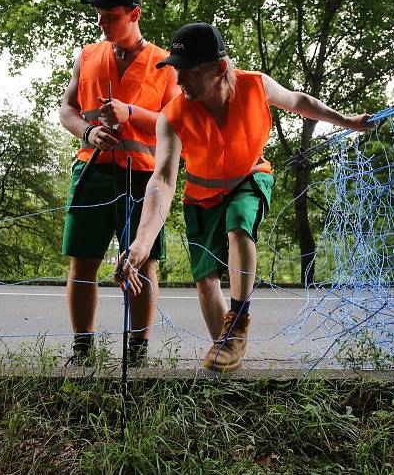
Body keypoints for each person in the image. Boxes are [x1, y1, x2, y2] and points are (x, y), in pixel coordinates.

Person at [117, 22, 373, 372]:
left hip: (249, 177)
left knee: (238, 226)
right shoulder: (172, 116)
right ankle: (225, 353)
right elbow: (161, 179)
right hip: (201, 197)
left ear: (219, 68)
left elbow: (299, 102)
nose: (178, 80)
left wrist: (346, 121)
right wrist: (141, 243)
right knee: (206, 281)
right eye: (175, 70)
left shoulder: (255, 86)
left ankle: (238, 319)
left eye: (187, 70)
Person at [59, 0, 179, 366]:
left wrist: (133, 114)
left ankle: (138, 352)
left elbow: (176, 123)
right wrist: (88, 131)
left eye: (110, 15)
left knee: (141, 262)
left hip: (144, 178)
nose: (101, 22)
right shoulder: (87, 55)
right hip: (91, 172)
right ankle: (82, 350)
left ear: (135, 14)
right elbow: (67, 110)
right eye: (98, 14)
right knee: (83, 261)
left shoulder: (166, 64)